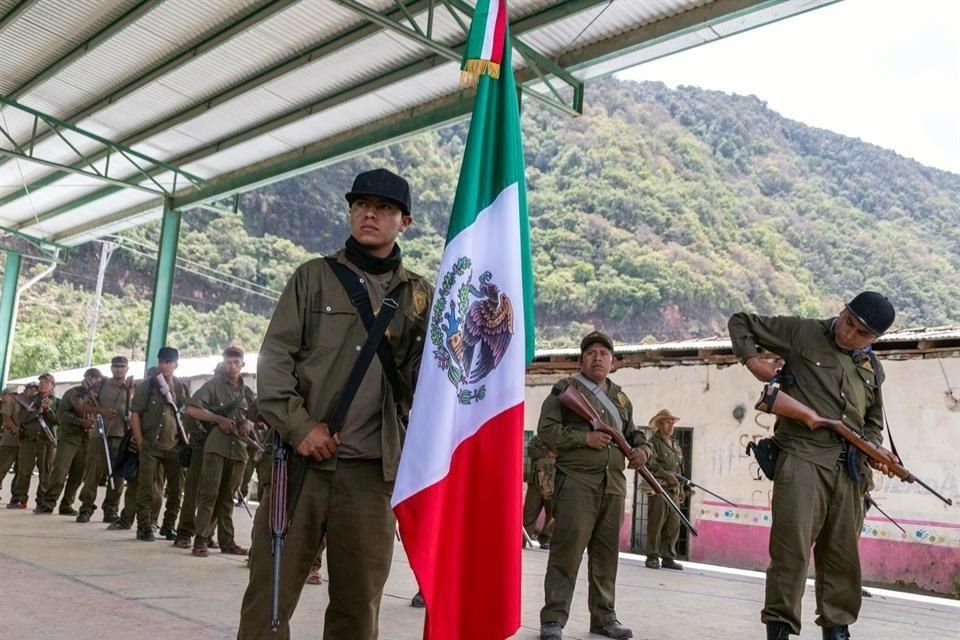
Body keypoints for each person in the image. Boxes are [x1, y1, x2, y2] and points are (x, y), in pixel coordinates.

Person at [237, 167, 433, 640]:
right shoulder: (313, 278)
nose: (370, 214)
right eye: (361, 205)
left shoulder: (420, 296)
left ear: (404, 221)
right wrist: (300, 427)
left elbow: (428, 383)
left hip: (371, 475)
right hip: (300, 467)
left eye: (384, 208)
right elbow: (275, 360)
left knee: (358, 606)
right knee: (270, 598)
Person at [728, 291, 897, 640]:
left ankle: (837, 629)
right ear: (843, 310)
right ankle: (780, 628)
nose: (850, 334)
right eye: (849, 321)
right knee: (791, 551)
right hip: (803, 457)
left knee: (842, 558)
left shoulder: (872, 368)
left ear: (875, 339)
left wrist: (875, 451)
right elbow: (740, 321)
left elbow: (873, 423)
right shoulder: (802, 332)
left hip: (850, 472)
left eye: (862, 333)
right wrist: (752, 360)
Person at [537, 331, 651, 640]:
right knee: (566, 553)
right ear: (581, 359)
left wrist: (643, 451)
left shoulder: (621, 398)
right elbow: (546, 431)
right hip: (576, 483)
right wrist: (583, 438)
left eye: (604, 353)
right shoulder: (565, 390)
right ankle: (553, 619)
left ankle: (604, 617)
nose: (597, 357)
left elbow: (634, 434)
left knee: (606, 557)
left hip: (613, 485)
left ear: (613, 362)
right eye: (591, 352)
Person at [187, 346, 256, 557]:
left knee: (228, 498)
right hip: (216, 447)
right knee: (209, 495)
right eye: (228, 362)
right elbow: (192, 408)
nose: (232, 366)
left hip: (238, 450)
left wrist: (250, 423)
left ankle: (227, 541)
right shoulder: (213, 386)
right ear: (223, 363)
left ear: (242, 364)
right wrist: (218, 419)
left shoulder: (247, 392)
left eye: (236, 362)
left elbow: (259, 414)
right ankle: (200, 540)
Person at [131, 347, 190, 542]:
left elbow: (186, 415)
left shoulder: (181, 388)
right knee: (146, 488)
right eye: (162, 361)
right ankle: (144, 526)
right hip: (151, 445)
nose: (165, 365)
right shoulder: (147, 387)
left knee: (176, 489)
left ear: (176, 365)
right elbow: (135, 414)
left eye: (169, 362)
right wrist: (140, 441)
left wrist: (186, 439)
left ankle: (168, 525)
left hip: (174, 446)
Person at [37, 371, 99, 515]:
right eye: (92, 377)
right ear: (86, 378)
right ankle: (48, 502)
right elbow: (62, 415)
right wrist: (80, 422)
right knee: (60, 471)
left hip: (88, 439)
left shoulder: (99, 396)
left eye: (97, 378)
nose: (94, 381)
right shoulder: (73, 393)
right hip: (70, 437)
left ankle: (67, 504)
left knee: (78, 474)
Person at [77, 357, 130, 523]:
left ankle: (111, 509)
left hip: (121, 435)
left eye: (122, 367)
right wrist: (101, 411)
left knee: (118, 477)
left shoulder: (132, 388)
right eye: (116, 367)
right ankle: (86, 508)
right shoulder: (101, 385)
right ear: (111, 368)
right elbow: (84, 406)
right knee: (93, 473)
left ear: (127, 369)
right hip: (100, 435)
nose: (119, 370)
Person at [643, 409, 684, 570]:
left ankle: (668, 557)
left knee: (673, 524)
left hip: (673, 490)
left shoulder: (675, 445)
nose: (671, 425)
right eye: (667, 422)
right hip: (658, 489)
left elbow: (679, 469)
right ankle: (652, 556)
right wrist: (666, 475)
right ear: (659, 425)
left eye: (672, 422)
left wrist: (680, 488)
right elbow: (650, 464)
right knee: (656, 523)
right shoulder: (653, 443)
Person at [9, 378, 57, 509]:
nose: (42, 385)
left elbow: (58, 421)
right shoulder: (30, 399)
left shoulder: (57, 401)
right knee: (23, 470)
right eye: (41, 382)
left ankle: (42, 500)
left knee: (45, 472)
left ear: (53, 386)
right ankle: (19, 498)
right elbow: (21, 418)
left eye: (46, 383)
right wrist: (38, 411)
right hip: (29, 439)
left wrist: (49, 410)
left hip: (46, 440)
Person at [522, 434, 556, 549]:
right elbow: (532, 451)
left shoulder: (561, 437)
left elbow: (561, 454)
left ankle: (546, 539)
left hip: (553, 482)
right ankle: (522, 538)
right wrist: (549, 454)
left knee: (552, 513)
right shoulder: (537, 438)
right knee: (529, 512)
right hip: (535, 482)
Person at [1, 384, 28, 507]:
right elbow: (6, 418)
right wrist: (15, 430)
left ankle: (17, 497)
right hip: (10, 439)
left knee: (21, 470)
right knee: (2, 467)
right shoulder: (11, 402)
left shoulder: (31, 403)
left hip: (25, 441)